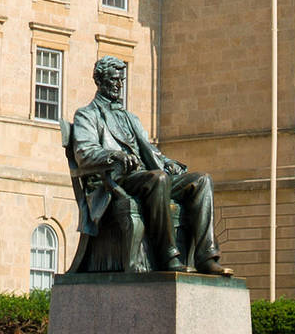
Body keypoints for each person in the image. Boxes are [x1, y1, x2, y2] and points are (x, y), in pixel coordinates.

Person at [68, 55, 221, 274]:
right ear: (100, 81)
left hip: (150, 178)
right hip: (115, 182)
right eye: (114, 80)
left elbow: (150, 151)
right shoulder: (88, 115)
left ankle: (206, 256)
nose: (119, 85)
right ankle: (168, 255)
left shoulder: (131, 118)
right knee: (158, 178)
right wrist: (115, 155)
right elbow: (85, 153)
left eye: (121, 80)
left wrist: (169, 162)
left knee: (201, 180)